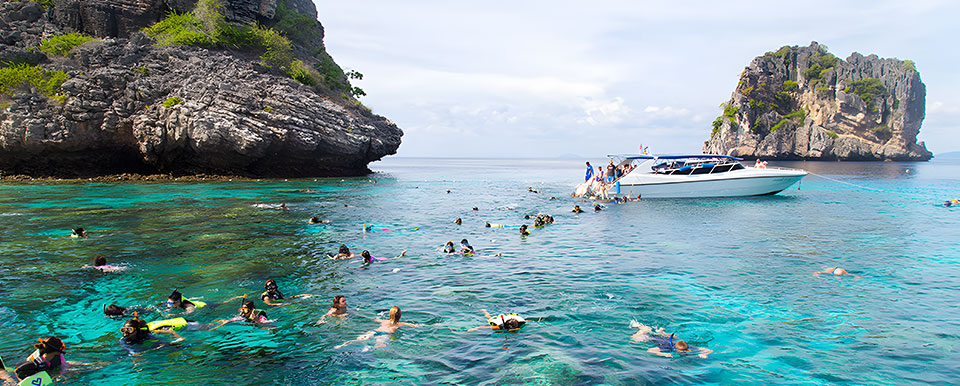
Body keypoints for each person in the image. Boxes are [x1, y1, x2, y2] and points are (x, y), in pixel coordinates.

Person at [333, 306, 423, 350]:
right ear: (399, 315)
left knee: (357, 339)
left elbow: (374, 319)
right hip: (385, 335)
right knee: (379, 346)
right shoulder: (400, 324)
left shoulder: (384, 321)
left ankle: (342, 345)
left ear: (390, 314)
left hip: (374, 331)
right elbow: (415, 326)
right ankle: (367, 348)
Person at [629, 321, 712, 359]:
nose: (685, 353)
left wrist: (704, 354)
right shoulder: (667, 347)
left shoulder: (687, 347)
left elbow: (709, 350)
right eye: (683, 352)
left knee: (674, 337)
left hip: (668, 338)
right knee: (634, 340)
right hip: (653, 338)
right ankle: (642, 329)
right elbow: (650, 350)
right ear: (676, 349)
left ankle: (660, 331)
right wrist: (664, 354)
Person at [466, 309, 532, 332]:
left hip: (509, 317)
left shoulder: (520, 323)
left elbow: (526, 321)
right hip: (499, 320)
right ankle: (485, 312)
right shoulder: (500, 326)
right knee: (490, 318)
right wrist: (474, 328)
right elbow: (483, 327)